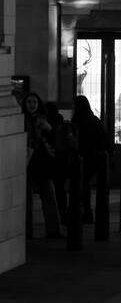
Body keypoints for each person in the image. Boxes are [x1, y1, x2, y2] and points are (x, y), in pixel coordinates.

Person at [23, 92, 62, 238]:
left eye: (34, 102)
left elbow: (53, 139)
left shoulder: (44, 119)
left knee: (49, 196)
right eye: (29, 102)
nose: (32, 105)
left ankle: (53, 230)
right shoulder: (22, 119)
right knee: (26, 199)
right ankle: (27, 231)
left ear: (38, 104)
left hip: (42, 162)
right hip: (27, 162)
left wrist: (49, 129)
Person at [71, 95, 109, 225]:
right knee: (86, 185)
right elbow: (103, 139)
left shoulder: (76, 121)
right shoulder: (94, 120)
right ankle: (87, 213)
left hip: (81, 158)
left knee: (80, 186)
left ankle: (83, 212)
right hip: (94, 158)